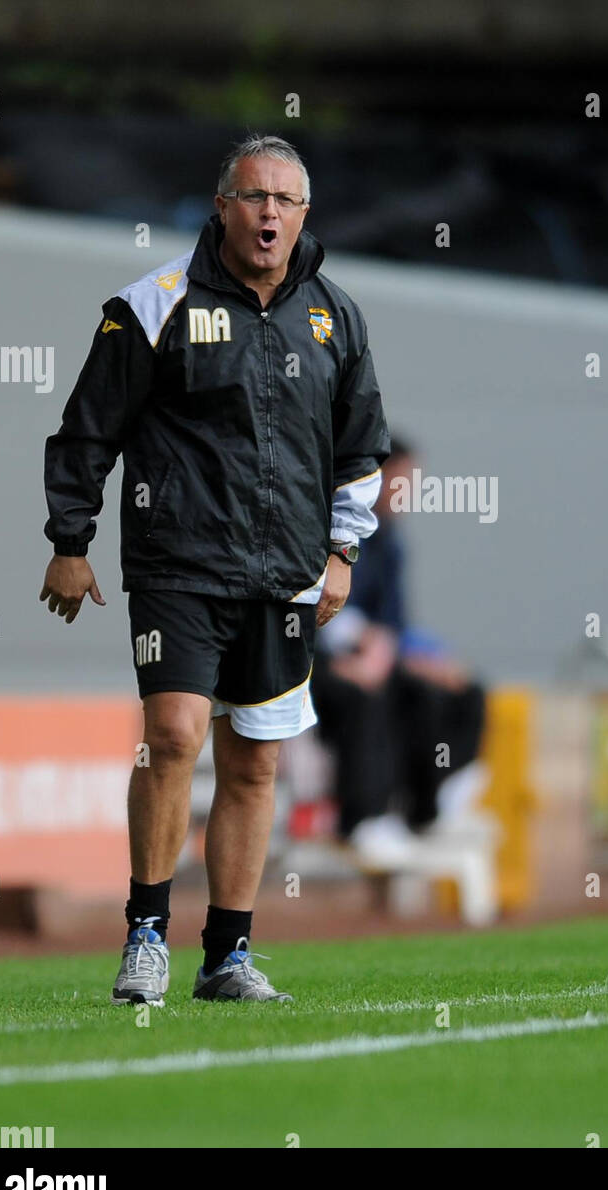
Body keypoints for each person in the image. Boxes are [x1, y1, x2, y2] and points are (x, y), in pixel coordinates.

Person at [40, 134, 390, 1004]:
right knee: (173, 738)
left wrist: (342, 551)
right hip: (179, 564)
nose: (270, 212)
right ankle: (146, 935)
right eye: (253, 196)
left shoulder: (336, 317)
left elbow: (361, 448)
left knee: (255, 764)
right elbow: (90, 426)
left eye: (286, 199)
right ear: (222, 206)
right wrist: (70, 540)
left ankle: (227, 955)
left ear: (306, 214)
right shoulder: (151, 304)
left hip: (284, 575)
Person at [311, 437, 487, 861]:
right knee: (368, 696)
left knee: (454, 690)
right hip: (316, 665)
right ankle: (362, 819)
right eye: (402, 479)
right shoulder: (326, 527)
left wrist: (430, 657)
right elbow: (308, 609)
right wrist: (356, 651)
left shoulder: (390, 542)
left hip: (376, 661)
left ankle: (428, 808)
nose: (409, 490)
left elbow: (394, 624)